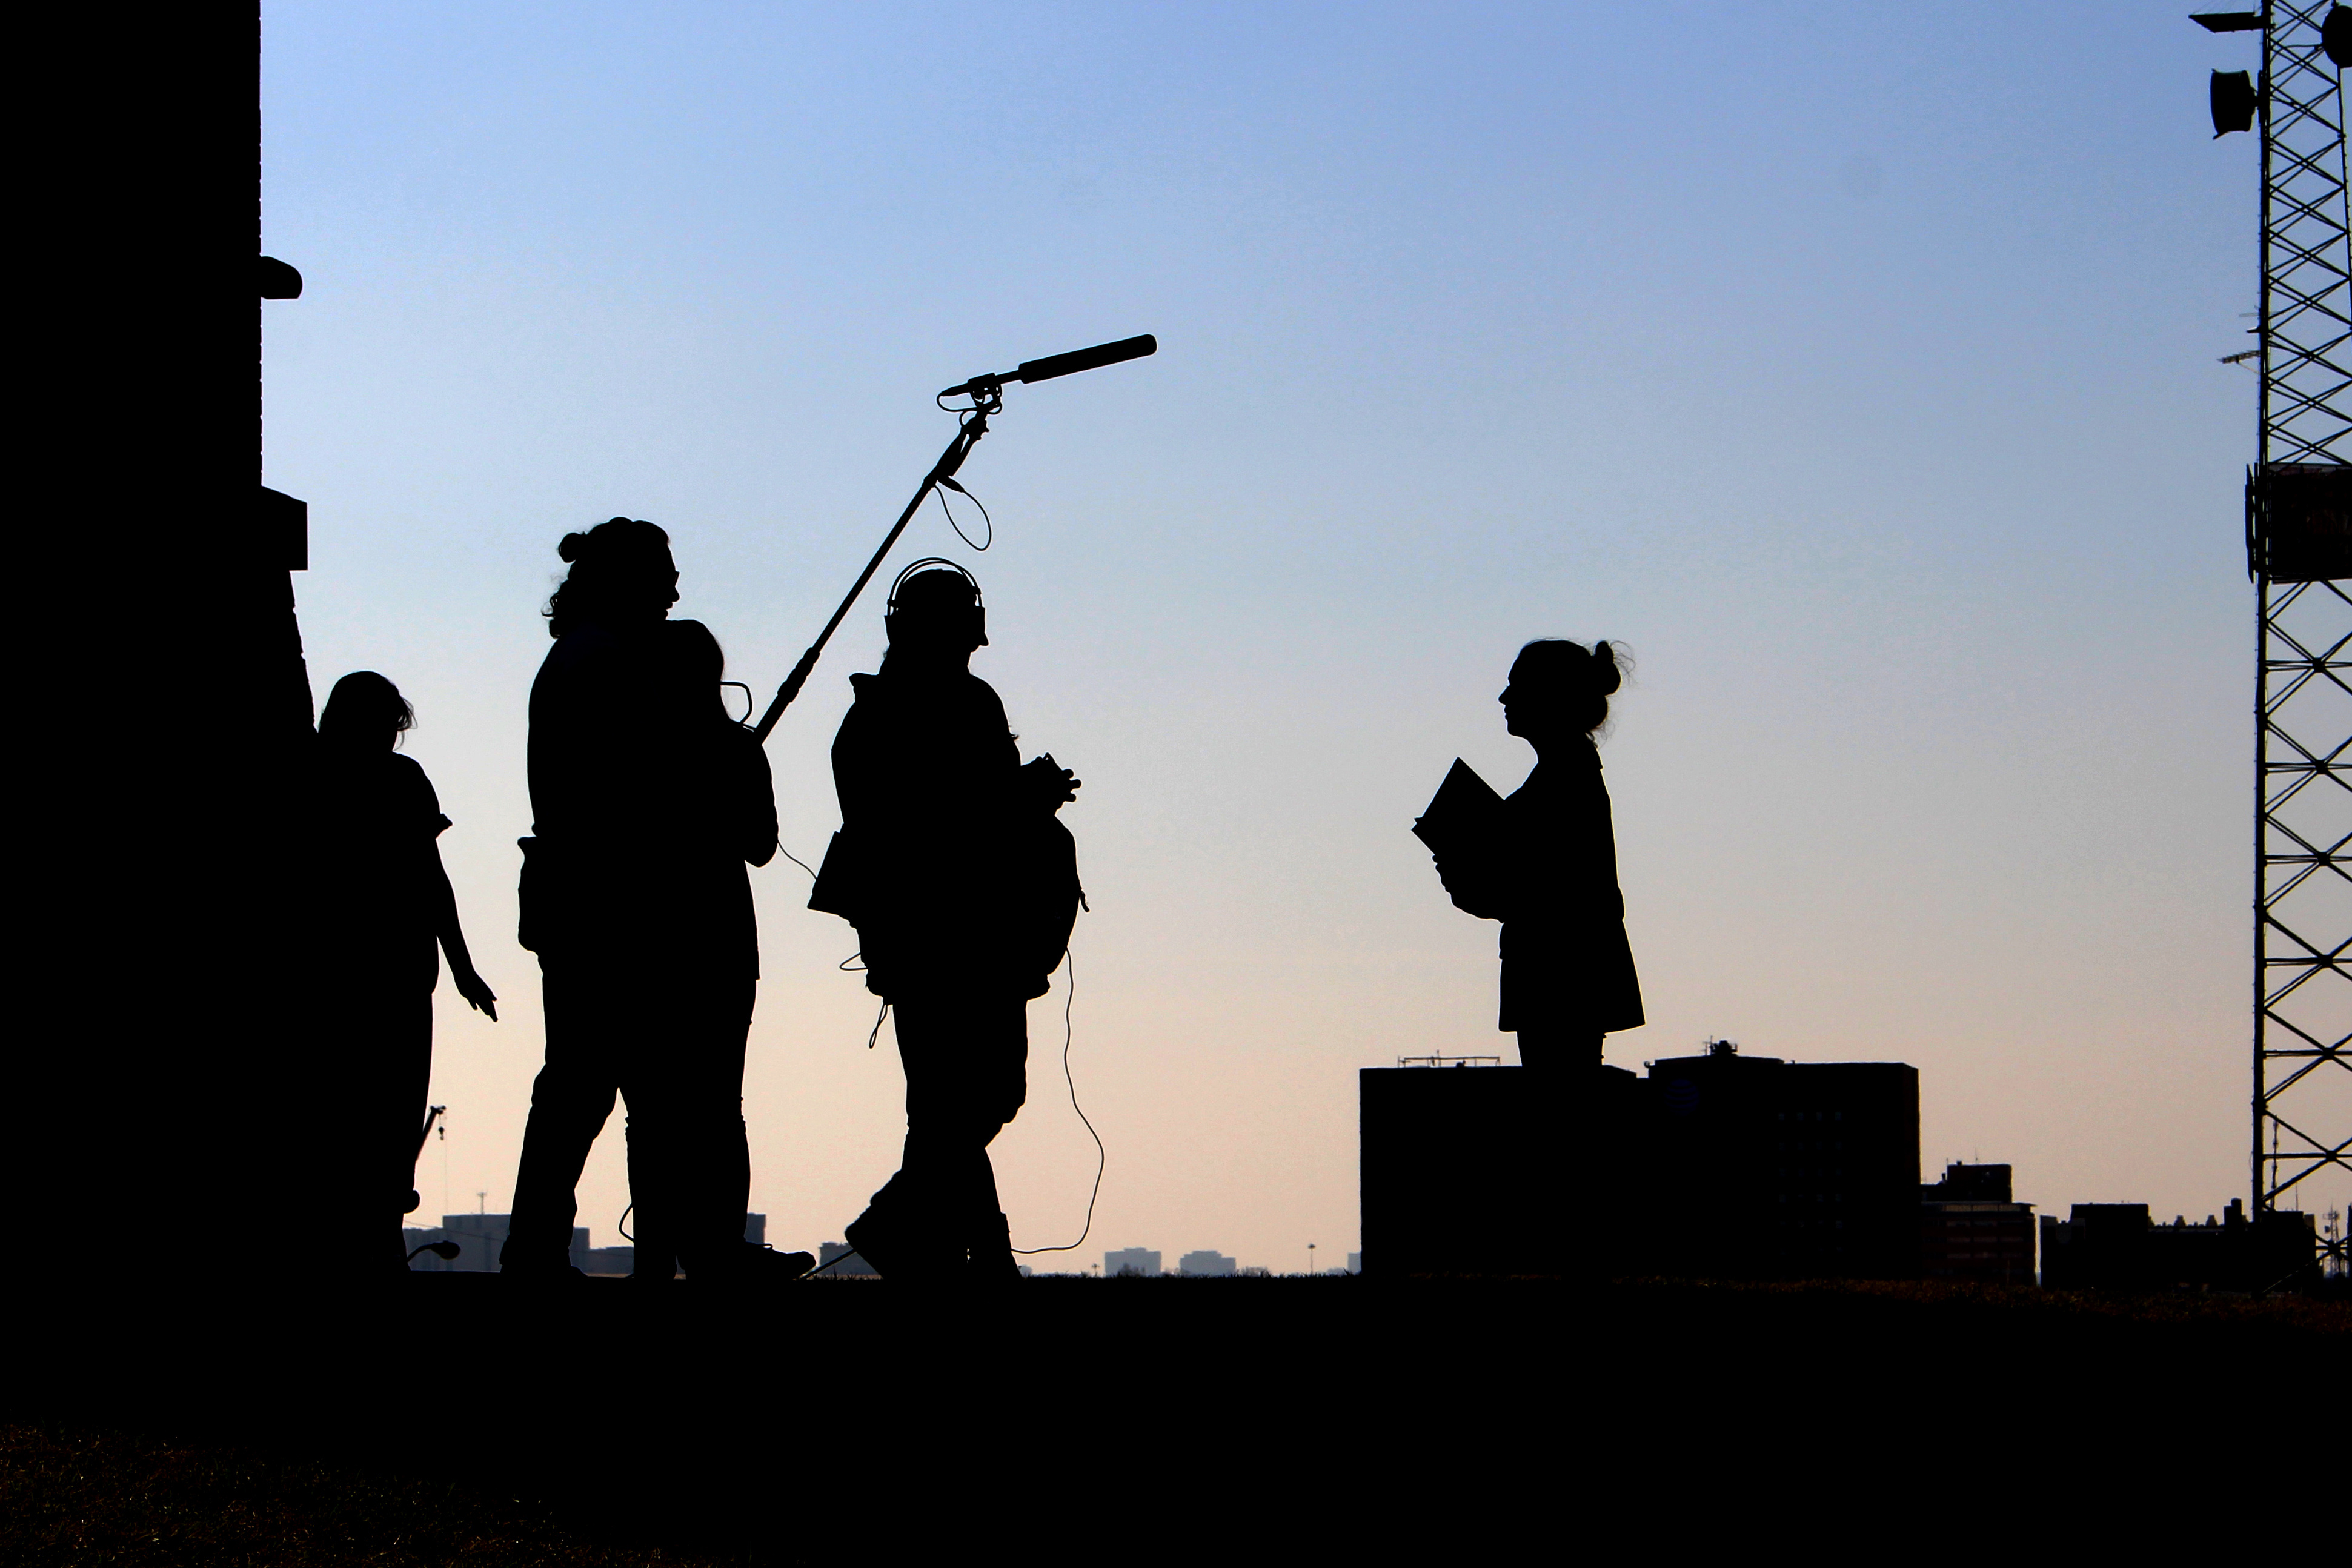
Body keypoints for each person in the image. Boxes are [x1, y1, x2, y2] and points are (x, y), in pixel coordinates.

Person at [502, 517, 813, 1280]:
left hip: (600, 908)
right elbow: (645, 790)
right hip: (612, 914)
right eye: (663, 573)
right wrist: (721, 761)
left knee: (609, 1092)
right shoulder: (604, 663)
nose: (675, 588)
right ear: (627, 580)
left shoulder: (585, 656)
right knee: (597, 1090)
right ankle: (566, 1252)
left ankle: (614, 1251)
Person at [819, 562, 1082, 1280]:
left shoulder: (967, 702)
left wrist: (1024, 801)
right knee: (955, 1102)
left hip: (982, 931)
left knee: (970, 1101)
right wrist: (1021, 802)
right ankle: (958, 1250)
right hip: (933, 934)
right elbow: (924, 827)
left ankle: (927, 1243)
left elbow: (977, 809)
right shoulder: (879, 719)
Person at [311, 671, 498, 1272]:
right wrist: (462, 965)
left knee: (355, 1113)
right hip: (392, 976)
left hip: (352, 975)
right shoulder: (399, 781)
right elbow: (431, 881)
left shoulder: (313, 773)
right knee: (386, 1112)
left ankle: (366, 1239)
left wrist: (463, 967)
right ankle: (378, 1241)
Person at [1433, 639, 1644, 1073]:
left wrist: (1459, 864)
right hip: (1557, 976)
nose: (1505, 698)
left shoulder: (1563, 784)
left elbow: (1530, 895)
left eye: (1517, 686)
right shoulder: (1565, 776)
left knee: (1559, 1105)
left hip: (1558, 978)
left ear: (1550, 697)